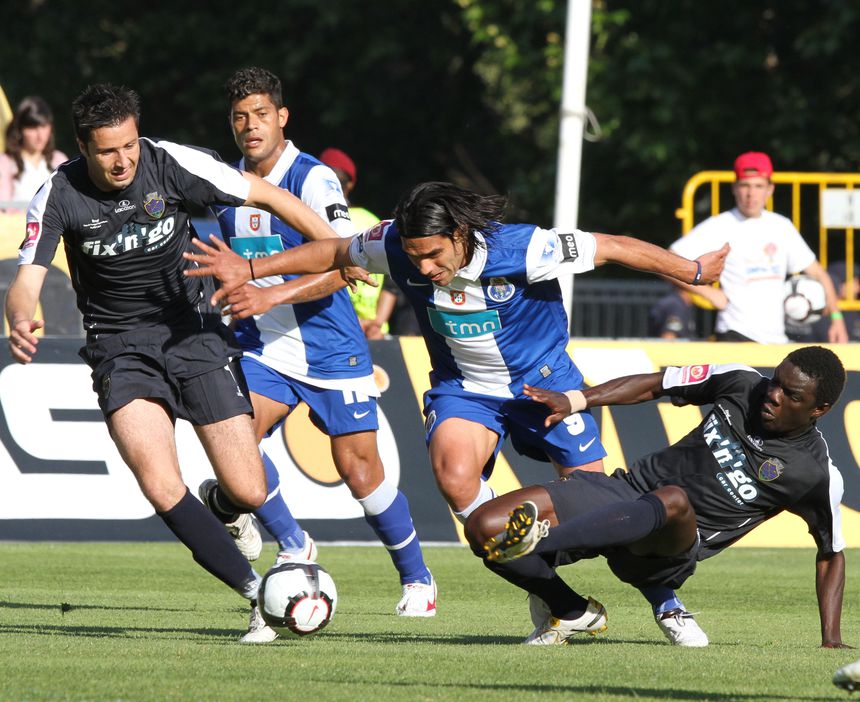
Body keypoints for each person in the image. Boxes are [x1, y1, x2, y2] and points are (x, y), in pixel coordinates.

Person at [183, 181, 729, 546]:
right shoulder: (393, 242)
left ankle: (665, 602)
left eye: (433, 255)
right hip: (464, 389)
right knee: (455, 478)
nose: (423, 267)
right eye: (414, 256)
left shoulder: (525, 248)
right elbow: (335, 252)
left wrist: (692, 272)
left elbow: (610, 246)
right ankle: (533, 569)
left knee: (596, 509)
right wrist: (252, 269)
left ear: (461, 236)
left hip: (544, 383)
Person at [3, 83, 343, 640]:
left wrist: (337, 247)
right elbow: (27, 280)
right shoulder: (57, 193)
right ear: (82, 148)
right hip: (120, 348)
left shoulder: (170, 161)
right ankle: (257, 595)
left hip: (194, 335)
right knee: (160, 484)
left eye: (129, 145)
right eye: (108, 151)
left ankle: (224, 505)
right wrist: (20, 318)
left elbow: (267, 195)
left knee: (250, 491)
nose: (123, 161)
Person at [206, 68, 435, 643]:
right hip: (262, 346)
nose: (250, 126)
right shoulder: (226, 184)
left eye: (261, 114)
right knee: (234, 443)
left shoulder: (313, 179)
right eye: (239, 117)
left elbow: (346, 264)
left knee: (360, 472)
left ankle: (417, 577)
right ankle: (293, 542)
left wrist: (268, 292)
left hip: (331, 348)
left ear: (282, 118)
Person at [462, 346, 848, 651]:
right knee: (485, 528)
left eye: (790, 395)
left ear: (819, 409)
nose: (773, 395)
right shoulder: (741, 382)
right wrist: (577, 400)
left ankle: (541, 542)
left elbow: (831, 554)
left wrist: (830, 638)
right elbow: (656, 384)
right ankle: (570, 609)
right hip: (627, 492)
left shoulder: (815, 474)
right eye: (775, 381)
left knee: (673, 500)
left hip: (667, 552)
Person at [670, 151, 848, 344]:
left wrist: (837, 318)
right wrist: (709, 293)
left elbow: (819, 274)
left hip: (776, 340)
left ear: (770, 189)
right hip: (734, 334)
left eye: (758, 186)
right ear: (734, 188)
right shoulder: (720, 225)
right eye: (745, 185)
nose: (751, 194)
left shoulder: (781, 226)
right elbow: (670, 260)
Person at [320, 146, 394, 339]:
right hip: (373, 332)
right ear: (351, 184)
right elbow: (392, 281)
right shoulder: (374, 222)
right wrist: (377, 323)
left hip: (332, 328)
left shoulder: (314, 220)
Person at [0, 96, 68, 206]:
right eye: (32, 128)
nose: (40, 135)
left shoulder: (59, 160)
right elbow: (3, 206)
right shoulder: (5, 163)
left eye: (44, 126)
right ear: (19, 130)